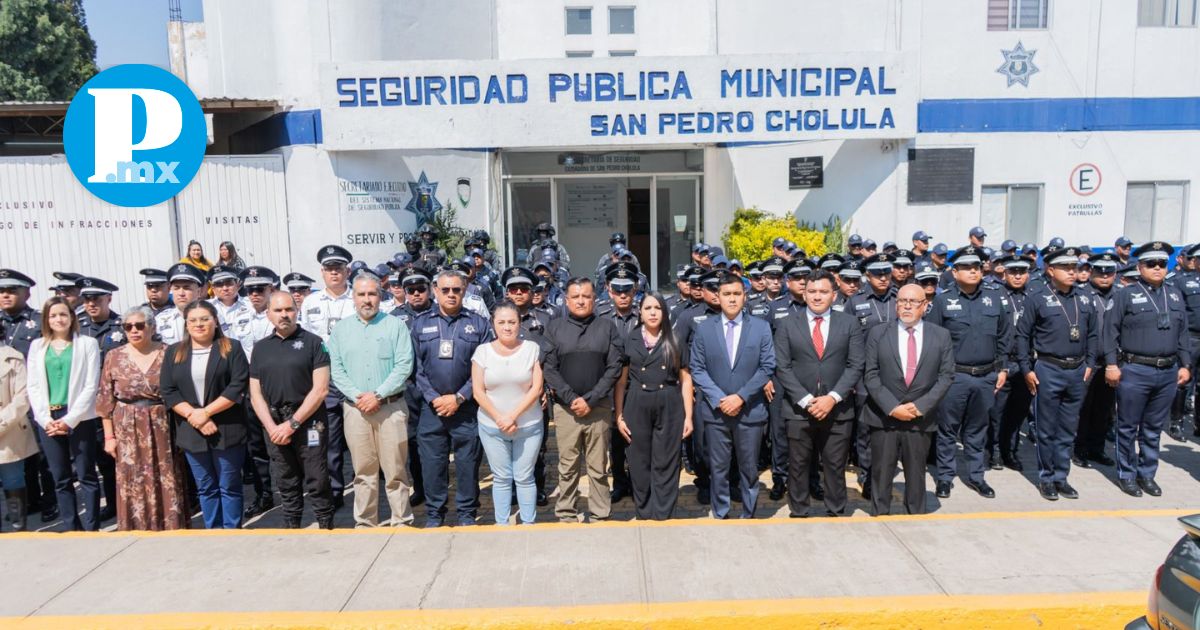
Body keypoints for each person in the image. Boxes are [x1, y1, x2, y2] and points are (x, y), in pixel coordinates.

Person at [1103, 241, 1191, 498]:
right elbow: (1110, 332)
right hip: (1135, 370)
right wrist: (1111, 364)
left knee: (1153, 428)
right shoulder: (1125, 294)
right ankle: (1127, 474)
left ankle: (1147, 474)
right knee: (1128, 427)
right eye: (1150, 264)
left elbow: (1183, 333)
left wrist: (1185, 364)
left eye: (1162, 264)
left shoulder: (1174, 294)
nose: (1156, 268)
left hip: (1167, 371)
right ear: (1139, 266)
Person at [773, 270, 864, 518]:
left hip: (838, 408)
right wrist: (805, 400)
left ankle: (836, 508)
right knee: (798, 464)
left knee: (835, 464)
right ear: (804, 293)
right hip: (798, 409)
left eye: (823, 292)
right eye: (811, 291)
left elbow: (855, 364)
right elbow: (782, 366)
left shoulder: (849, 324)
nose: (817, 296)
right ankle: (799, 509)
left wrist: (832, 397)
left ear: (834, 295)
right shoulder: (787, 324)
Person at [329, 273, 416, 527]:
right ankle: (365, 522)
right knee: (363, 472)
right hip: (356, 410)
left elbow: (403, 366)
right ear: (353, 297)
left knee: (396, 471)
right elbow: (337, 370)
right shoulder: (341, 330)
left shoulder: (396, 326)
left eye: (372, 294)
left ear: (381, 296)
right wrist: (360, 397)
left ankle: (401, 520)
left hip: (390, 408)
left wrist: (377, 395)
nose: (367, 300)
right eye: (361, 294)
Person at [924, 246, 1011, 500]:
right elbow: (932, 340)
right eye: (967, 267)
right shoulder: (943, 300)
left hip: (986, 376)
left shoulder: (994, 298)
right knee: (948, 429)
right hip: (954, 376)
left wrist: (1003, 367)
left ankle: (976, 476)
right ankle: (944, 477)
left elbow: (1005, 335)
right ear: (954, 271)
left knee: (977, 428)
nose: (973, 271)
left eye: (977, 266)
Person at [862, 284, 954, 516]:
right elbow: (870, 375)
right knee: (881, 474)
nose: (906, 306)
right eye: (902, 301)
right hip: (884, 417)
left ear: (925, 306)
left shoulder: (940, 335)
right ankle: (880, 516)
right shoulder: (878, 333)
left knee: (916, 473)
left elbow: (946, 376)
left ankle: (915, 517)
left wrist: (920, 406)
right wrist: (892, 407)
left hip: (919, 417)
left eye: (913, 302)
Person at [689, 272, 775, 519]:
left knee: (749, 468)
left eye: (737, 294)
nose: (732, 299)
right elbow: (697, 368)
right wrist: (719, 398)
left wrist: (740, 397)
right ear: (718, 297)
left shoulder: (761, 328)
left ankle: (749, 512)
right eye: (727, 294)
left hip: (749, 410)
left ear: (744, 296)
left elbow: (767, 366)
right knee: (718, 467)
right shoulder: (704, 328)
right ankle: (721, 511)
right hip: (717, 412)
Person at [1016, 246, 1099, 501]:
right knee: (1046, 427)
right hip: (1048, 368)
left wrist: (1090, 364)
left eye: (1074, 268)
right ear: (1050, 270)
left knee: (1067, 428)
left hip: (1077, 370)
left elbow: (1094, 334)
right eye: (1066, 268)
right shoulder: (1037, 297)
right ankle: (1046, 477)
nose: (1072, 272)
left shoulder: (1084, 298)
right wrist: (1026, 369)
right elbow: (1023, 335)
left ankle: (1062, 477)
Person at [95, 306, 189, 531]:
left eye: (140, 325)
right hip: (126, 426)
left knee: (166, 475)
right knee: (132, 477)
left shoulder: (169, 353)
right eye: (128, 327)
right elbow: (105, 400)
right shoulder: (114, 356)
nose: (134, 330)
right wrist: (109, 437)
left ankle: (170, 527)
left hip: (162, 424)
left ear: (152, 327)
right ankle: (136, 527)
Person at [160, 301, 251, 529]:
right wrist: (195, 417)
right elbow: (168, 391)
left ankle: (231, 531)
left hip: (227, 429)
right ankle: (213, 531)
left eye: (204, 319)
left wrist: (206, 413)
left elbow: (237, 385)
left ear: (216, 321)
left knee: (228, 484)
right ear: (186, 324)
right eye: (193, 320)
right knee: (206, 486)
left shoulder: (231, 348)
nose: (199, 324)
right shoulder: (174, 352)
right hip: (192, 430)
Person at [248, 292, 335, 529]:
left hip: (308, 421)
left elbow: (320, 390)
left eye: (289, 309)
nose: (284, 315)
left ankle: (326, 524)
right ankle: (292, 526)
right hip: (274, 423)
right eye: (278, 310)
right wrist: (272, 427)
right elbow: (255, 394)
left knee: (317, 478)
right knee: (286, 479)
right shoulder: (261, 349)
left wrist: (292, 424)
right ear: (268, 314)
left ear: (297, 311)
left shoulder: (313, 343)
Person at [412, 270, 491, 527]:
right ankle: (435, 514)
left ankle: (467, 513)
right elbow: (416, 368)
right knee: (433, 465)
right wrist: (435, 398)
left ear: (464, 290)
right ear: (435, 290)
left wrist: (459, 397)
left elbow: (483, 367)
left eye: (456, 289)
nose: (451, 294)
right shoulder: (420, 323)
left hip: (466, 408)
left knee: (468, 464)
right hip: (430, 409)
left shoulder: (478, 324)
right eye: (445, 290)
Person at [543, 277, 623, 522]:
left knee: (598, 466)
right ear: (566, 300)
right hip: (567, 411)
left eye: (586, 296)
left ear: (594, 299)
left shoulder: (607, 327)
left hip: (598, 408)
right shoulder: (554, 328)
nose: (581, 300)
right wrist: (571, 398)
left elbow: (614, 367)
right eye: (575, 296)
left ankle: (600, 511)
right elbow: (549, 367)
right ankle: (566, 511)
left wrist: (590, 398)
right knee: (567, 465)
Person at [614, 293, 694, 520]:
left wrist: (689, 416)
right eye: (647, 308)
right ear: (639, 311)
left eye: (657, 308)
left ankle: (664, 512)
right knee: (639, 461)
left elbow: (686, 379)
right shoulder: (630, 339)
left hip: (668, 401)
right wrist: (619, 415)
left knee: (666, 460)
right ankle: (644, 510)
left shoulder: (675, 338)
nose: (652, 312)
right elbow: (621, 381)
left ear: (664, 312)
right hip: (637, 402)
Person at [26, 297, 102, 531]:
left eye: (63, 314)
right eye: (53, 315)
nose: (58, 319)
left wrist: (69, 420)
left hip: (79, 416)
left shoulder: (87, 344)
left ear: (71, 317)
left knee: (86, 474)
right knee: (60, 477)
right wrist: (46, 419)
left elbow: (91, 385)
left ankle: (91, 527)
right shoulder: (37, 346)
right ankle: (71, 527)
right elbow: (34, 387)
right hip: (48, 417)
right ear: (46, 320)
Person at [471, 302, 544, 525]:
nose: (507, 327)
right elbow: (477, 391)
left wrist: (512, 416)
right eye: (501, 322)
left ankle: (528, 523)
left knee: (524, 477)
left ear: (519, 324)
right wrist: (500, 418)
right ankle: (501, 524)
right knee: (501, 478)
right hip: (492, 427)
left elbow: (537, 388)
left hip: (528, 426)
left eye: (512, 322)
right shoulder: (482, 352)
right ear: (493, 324)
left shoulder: (532, 349)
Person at [300, 245, 356, 511]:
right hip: (326, 379)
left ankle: (366, 486)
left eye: (339, 268)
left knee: (360, 437)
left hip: (356, 377)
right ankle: (335, 489)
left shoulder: (359, 296)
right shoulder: (311, 302)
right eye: (329, 269)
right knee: (330, 440)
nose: (334, 273)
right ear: (322, 272)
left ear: (347, 270)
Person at [0, 269, 54, 523]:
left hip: (37, 398)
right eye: (2, 291)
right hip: (8, 404)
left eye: (12, 290)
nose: (5, 295)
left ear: (27, 292)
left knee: (43, 457)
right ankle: (30, 502)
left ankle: (49, 502)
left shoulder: (40, 321)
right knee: (18, 458)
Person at [1073, 253, 1120, 467]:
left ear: (1115, 273)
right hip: (1086, 362)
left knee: (1104, 409)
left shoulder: (1121, 295)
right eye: (1099, 271)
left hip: (1111, 363)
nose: (1104, 275)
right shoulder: (1080, 294)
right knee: (1083, 408)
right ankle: (1079, 449)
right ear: (1091, 272)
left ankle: (1096, 449)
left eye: (1108, 271)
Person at [0, 342, 34, 531]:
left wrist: (2, 422)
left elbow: (22, 397)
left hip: (8, 428)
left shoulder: (12, 357)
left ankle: (18, 529)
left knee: (13, 479)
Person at [155, 263, 207, 346]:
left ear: (199, 292)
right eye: (176, 288)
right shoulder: (160, 320)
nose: (181, 293)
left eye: (187, 288)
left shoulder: (211, 317)